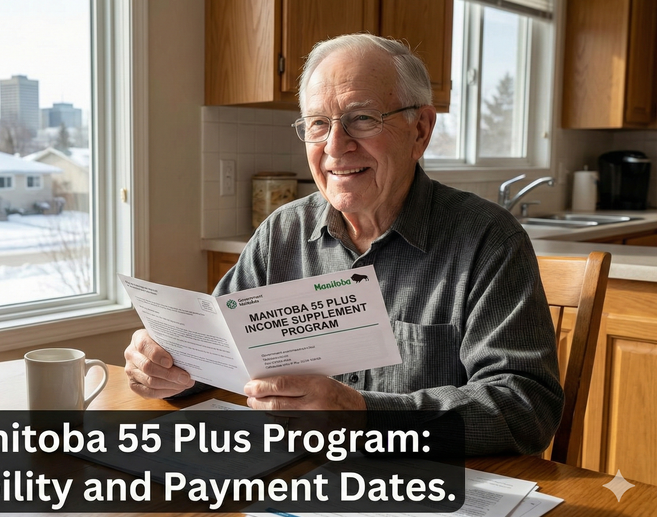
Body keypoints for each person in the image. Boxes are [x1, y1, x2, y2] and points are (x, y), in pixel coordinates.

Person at [124, 34, 563, 455]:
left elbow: (526, 406)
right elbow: (217, 351)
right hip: (289, 477)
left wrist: (365, 415)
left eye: (362, 118)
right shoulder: (282, 233)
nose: (335, 146)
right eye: (318, 124)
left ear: (421, 130)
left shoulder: (489, 242)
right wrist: (169, 365)